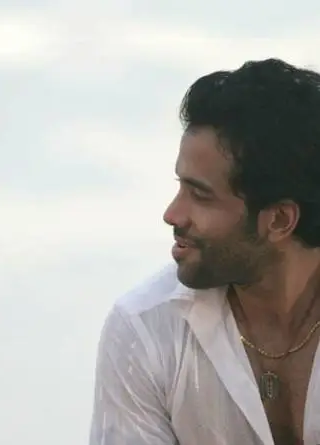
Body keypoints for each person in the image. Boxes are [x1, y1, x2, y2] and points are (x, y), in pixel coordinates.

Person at [89, 58, 320, 445]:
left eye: (200, 195)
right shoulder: (145, 328)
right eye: (180, 186)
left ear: (280, 220)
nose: (172, 214)